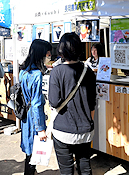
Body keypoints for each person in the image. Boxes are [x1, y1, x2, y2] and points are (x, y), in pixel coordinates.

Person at [48, 33, 97, 175]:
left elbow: (54, 102)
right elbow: (92, 102)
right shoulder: (88, 72)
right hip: (85, 129)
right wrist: (89, 122)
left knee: (66, 170)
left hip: (62, 131)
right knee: (85, 167)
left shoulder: (56, 72)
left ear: (61, 50)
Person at [19, 39, 52, 175]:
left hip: (26, 118)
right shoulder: (37, 75)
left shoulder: (24, 71)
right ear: (41, 54)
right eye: (48, 54)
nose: (49, 57)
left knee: (30, 152)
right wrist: (41, 129)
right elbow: (37, 104)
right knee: (33, 153)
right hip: (34, 119)